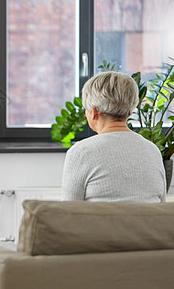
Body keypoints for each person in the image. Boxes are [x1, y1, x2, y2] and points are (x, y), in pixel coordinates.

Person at [61, 71, 166, 203]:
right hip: (147, 224)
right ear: (129, 111)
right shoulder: (153, 151)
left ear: (94, 112)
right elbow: (161, 211)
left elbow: (69, 214)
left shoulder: (80, 153)